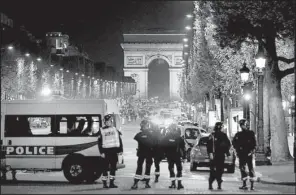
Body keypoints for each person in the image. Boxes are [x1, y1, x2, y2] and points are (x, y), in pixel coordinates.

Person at [97, 114, 123, 188]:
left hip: (114, 152)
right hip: (105, 152)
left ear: (111, 122)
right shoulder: (101, 130)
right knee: (104, 169)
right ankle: (105, 184)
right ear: (104, 122)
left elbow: (119, 141)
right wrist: (101, 152)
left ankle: (111, 183)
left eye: (109, 121)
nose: (108, 122)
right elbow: (99, 143)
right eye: (107, 121)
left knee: (113, 168)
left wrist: (120, 150)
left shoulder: (115, 129)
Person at [232, 119, 256, 190]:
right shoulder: (238, 134)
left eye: (243, 125)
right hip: (242, 154)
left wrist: (252, 150)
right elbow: (234, 143)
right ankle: (245, 184)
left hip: (248, 153)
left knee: (250, 168)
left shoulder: (250, 133)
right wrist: (237, 150)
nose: (242, 126)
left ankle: (252, 185)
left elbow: (254, 143)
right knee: (243, 169)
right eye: (241, 125)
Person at [206, 122, 231, 190]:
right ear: (221, 127)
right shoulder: (223, 135)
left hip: (213, 155)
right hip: (220, 155)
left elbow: (208, 145)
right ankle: (219, 183)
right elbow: (228, 144)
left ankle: (211, 184)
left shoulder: (212, 135)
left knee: (213, 170)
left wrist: (210, 153)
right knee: (220, 170)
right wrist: (227, 153)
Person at [131, 119, 154, 189]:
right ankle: (147, 183)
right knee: (148, 168)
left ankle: (135, 183)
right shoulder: (151, 134)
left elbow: (136, 139)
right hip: (149, 153)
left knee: (139, 168)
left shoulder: (138, 135)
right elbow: (155, 144)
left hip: (141, 153)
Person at [162, 123, 185, 190]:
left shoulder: (167, 137)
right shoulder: (179, 137)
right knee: (179, 169)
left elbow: (163, 146)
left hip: (170, 156)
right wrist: (184, 157)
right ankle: (179, 184)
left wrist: (164, 154)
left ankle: (173, 184)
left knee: (171, 169)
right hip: (177, 155)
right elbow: (183, 148)